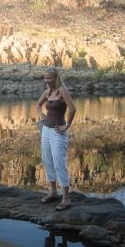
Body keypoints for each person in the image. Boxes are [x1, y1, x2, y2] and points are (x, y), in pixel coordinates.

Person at [35, 67, 76, 211]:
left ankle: (66, 197)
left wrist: (66, 127)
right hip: (45, 130)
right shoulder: (48, 92)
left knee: (60, 163)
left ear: (56, 78)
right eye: (45, 78)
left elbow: (72, 109)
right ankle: (53, 191)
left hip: (58, 132)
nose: (47, 80)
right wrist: (42, 116)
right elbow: (37, 105)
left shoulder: (62, 91)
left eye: (49, 78)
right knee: (47, 161)